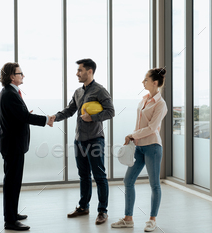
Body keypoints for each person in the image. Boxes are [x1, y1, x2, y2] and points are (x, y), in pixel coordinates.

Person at [48, 58, 115, 225]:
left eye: (80, 70)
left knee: (100, 176)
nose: (77, 73)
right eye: (77, 70)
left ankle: (102, 211)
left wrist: (92, 118)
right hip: (79, 140)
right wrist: (55, 117)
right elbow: (70, 110)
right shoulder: (78, 92)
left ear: (90, 71)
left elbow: (111, 112)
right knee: (83, 176)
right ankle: (83, 207)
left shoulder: (100, 90)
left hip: (95, 140)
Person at [111, 68, 168, 232]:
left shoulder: (160, 104)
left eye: (145, 80)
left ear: (154, 82)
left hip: (153, 147)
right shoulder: (144, 100)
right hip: (139, 147)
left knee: (154, 184)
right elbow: (140, 124)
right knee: (128, 181)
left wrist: (132, 134)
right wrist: (134, 138)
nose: (143, 82)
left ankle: (152, 219)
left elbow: (152, 128)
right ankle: (128, 219)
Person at [0, 62, 50, 231]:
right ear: (12, 76)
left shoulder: (9, 92)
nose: (23, 76)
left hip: (12, 144)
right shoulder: (10, 94)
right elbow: (23, 116)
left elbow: (18, 116)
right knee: (12, 183)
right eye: (20, 73)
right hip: (13, 145)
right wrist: (46, 120)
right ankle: (10, 221)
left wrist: (25, 116)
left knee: (13, 182)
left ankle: (12, 213)